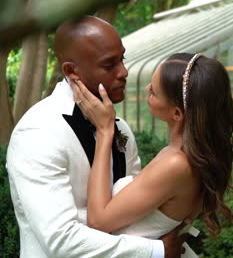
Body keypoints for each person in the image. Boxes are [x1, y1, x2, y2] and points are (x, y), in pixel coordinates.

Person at [6, 16, 185, 258]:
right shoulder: (38, 132)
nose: (124, 72)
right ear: (71, 71)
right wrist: (156, 251)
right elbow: (60, 240)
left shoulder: (120, 129)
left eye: (122, 59)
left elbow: (132, 214)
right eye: (109, 65)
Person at [70, 53, 233, 257]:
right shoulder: (189, 156)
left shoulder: (177, 164)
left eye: (154, 92)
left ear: (176, 113)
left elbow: (98, 222)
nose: (147, 88)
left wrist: (105, 131)